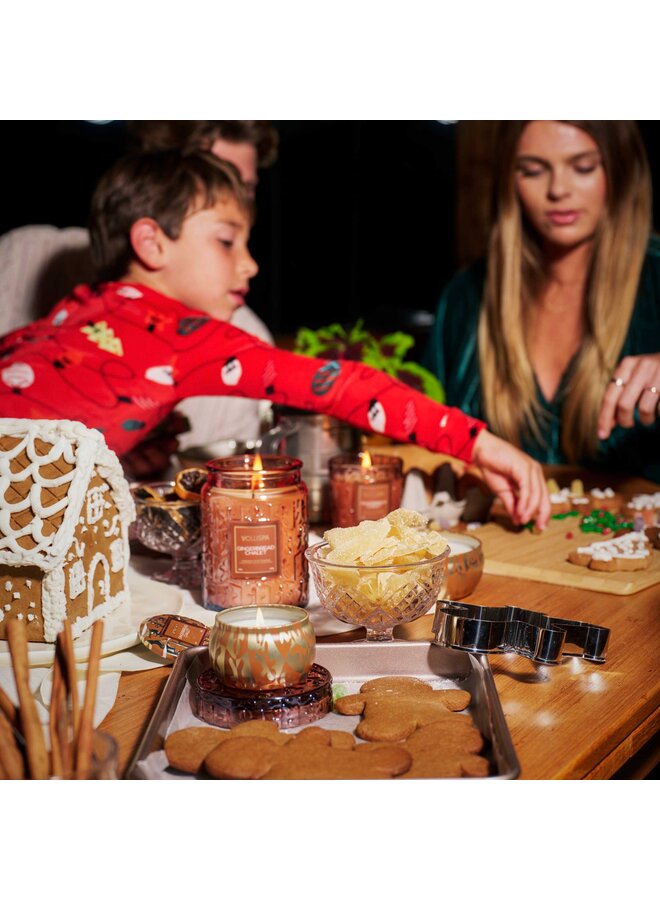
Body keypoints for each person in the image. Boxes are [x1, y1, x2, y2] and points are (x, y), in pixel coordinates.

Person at [0, 148, 550, 528]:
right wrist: (479, 444)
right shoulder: (184, 333)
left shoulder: (75, 312)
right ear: (151, 242)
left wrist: (127, 443)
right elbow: (339, 385)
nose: (251, 264)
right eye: (226, 241)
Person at [0, 121, 279, 465]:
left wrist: (140, 470)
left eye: (243, 186)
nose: (229, 196)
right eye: (202, 173)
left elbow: (220, 479)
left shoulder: (246, 336)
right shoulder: (24, 258)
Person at [423, 120, 660, 482]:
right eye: (533, 171)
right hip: (501, 535)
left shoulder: (655, 278)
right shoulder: (467, 295)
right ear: (510, 181)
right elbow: (424, 438)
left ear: (620, 169)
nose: (558, 190)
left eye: (582, 167)